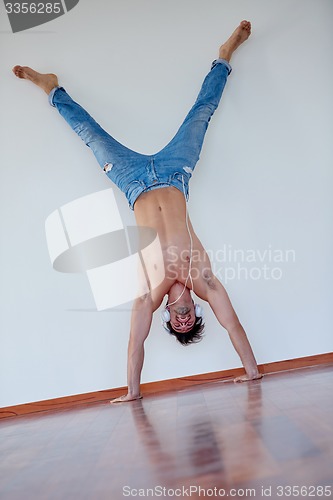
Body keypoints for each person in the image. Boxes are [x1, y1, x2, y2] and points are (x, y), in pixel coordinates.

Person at [13, 20, 263, 403]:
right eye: (190, 321)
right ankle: (224, 57)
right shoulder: (206, 280)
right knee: (202, 113)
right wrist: (252, 372)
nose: (183, 320)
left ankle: (51, 87)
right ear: (196, 309)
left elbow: (134, 343)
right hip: (176, 173)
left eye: (177, 325)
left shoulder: (148, 293)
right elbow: (234, 326)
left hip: (133, 182)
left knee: (90, 134)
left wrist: (133, 392)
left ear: (168, 316)